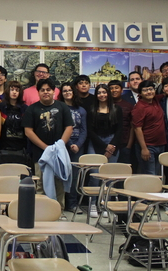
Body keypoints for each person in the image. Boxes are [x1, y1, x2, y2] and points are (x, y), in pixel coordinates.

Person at [22, 78, 74, 210]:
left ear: (54, 91)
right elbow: (28, 131)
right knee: (40, 183)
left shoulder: (62, 107)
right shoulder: (31, 109)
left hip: (59, 152)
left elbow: (69, 127)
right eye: (42, 90)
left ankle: (58, 211)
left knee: (59, 183)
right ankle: (41, 212)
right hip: (40, 153)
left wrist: (60, 145)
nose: (45, 92)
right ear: (38, 92)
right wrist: (46, 148)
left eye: (48, 90)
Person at [86, 84, 122, 217]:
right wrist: (103, 146)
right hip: (95, 143)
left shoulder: (116, 109)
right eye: (99, 92)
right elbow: (90, 130)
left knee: (108, 177)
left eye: (104, 92)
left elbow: (120, 130)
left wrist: (112, 145)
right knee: (95, 176)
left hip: (112, 142)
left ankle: (105, 204)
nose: (102, 95)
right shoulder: (91, 110)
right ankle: (93, 204)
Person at [57, 82, 86, 213]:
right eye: (64, 90)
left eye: (69, 90)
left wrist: (78, 145)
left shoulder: (81, 110)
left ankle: (72, 204)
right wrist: (68, 144)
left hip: (78, 146)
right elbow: (59, 128)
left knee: (75, 177)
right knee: (62, 175)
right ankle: (60, 204)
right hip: (63, 145)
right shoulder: (59, 108)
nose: (67, 92)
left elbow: (84, 130)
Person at [132, 81, 167, 175]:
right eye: (145, 90)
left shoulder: (155, 100)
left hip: (161, 145)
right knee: (150, 175)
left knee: (158, 174)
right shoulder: (139, 108)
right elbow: (137, 129)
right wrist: (144, 148)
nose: (149, 92)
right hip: (148, 146)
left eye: (151, 89)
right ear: (140, 93)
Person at [0, 81, 28, 163]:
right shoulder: (1, 107)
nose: (14, 92)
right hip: (4, 146)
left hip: (21, 147)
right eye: (12, 89)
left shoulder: (25, 108)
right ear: (8, 91)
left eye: (17, 90)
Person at [109, 80, 134, 165]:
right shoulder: (104, 105)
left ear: (122, 90)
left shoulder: (129, 106)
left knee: (124, 171)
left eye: (116, 88)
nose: (114, 90)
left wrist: (129, 146)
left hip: (124, 143)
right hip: (109, 143)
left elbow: (132, 127)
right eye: (111, 88)